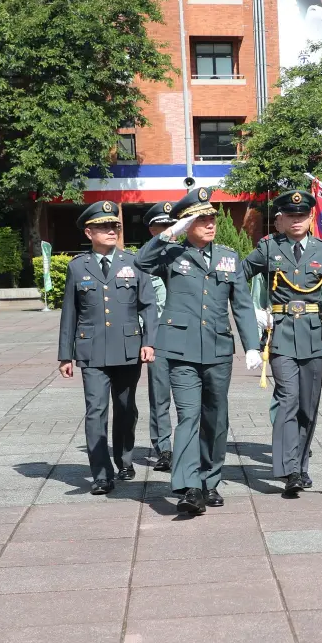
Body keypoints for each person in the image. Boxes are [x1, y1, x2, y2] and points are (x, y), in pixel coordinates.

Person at [136, 188, 258, 514]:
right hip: (180, 350)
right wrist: (167, 235)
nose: (209, 223)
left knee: (216, 418)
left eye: (212, 217)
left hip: (218, 349)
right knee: (188, 416)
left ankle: (210, 480)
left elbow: (243, 306)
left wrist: (252, 346)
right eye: (200, 218)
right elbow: (140, 262)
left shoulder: (229, 257)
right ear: (186, 223)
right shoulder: (172, 254)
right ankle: (189, 487)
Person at [242, 190, 322, 496]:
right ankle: (288, 469)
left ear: (311, 217)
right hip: (281, 337)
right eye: (291, 216)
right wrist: (252, 312)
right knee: (287, 399)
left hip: (314, 337)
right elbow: (238, 277)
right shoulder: (268, 249)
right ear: (282, 219)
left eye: (302, 216)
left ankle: (301, 466)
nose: (297, 220)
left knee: (308, 405)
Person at [58, 201, 157, 495]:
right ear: (89, 232)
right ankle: (101, 474)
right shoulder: (78, 267)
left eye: (115, 226)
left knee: (126, 409)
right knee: (95, 411)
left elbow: (148, 305)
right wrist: (65, 355)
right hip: (92, 352)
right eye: (104, 226)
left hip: (128, 349)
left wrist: (150, 341)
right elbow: (69, 314)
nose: (112, 231)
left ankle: (124, 458)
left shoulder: (134, 263)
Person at [142, 202, 176, 473]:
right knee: (159, 397)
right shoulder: (143, 262)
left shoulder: (185, 256)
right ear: (152, 229)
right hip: (159, 337)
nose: (168, 231)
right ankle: (163, 448)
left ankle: (190, 445)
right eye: (162, 227)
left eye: (171, 226)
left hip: (187, 336)